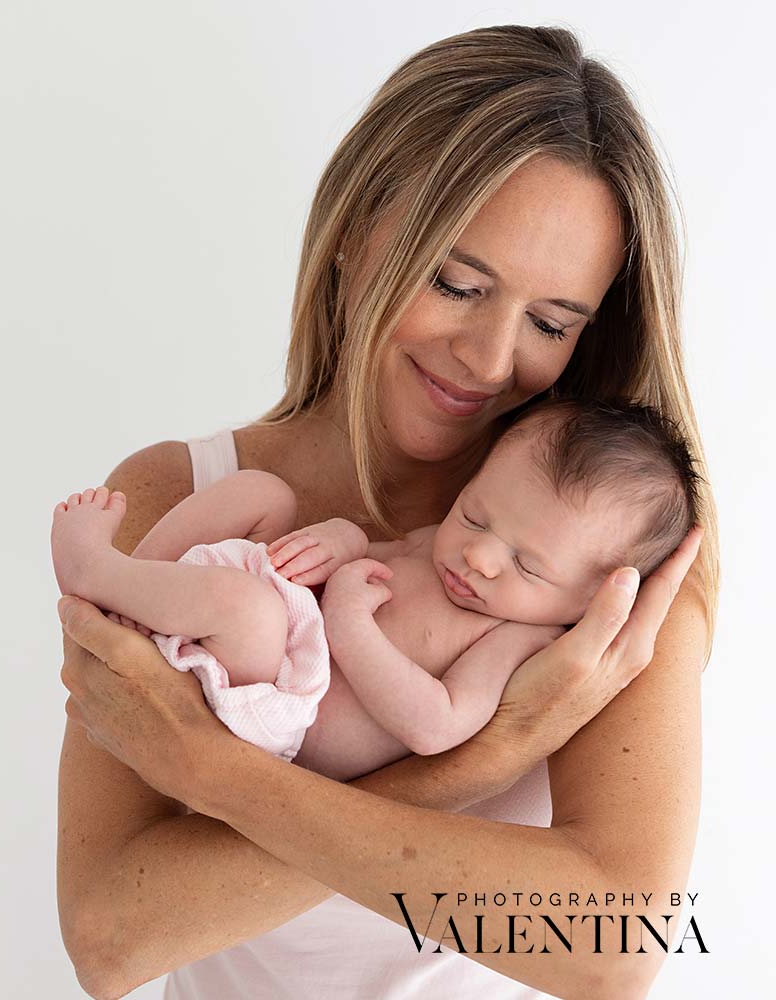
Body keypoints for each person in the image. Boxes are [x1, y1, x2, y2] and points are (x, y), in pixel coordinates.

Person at [56, 24, 718, 1000]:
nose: (489, 360)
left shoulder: (604, 568)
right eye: (456, 283)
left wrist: (216, 777)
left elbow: (612, 947)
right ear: (355, 231)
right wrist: (476, 761)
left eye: (549, 323)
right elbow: (111, 940)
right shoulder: (179, 494)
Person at [52, 396, 700, 777]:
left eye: (528, 565)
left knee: (246, 610)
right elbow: (370, 553)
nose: (478, 555)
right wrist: (339, 540)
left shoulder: (520, 640)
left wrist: (351, 624)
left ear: (594, 600)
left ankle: (97, 573)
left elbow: (438, 726)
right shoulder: (439, 544)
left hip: (285, 711)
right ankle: (131, 595)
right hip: (281, 625)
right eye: (475, 515)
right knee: (261, 494)